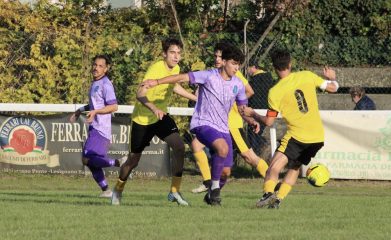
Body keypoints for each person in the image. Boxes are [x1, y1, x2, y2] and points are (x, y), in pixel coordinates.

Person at [144, 43, 259, 205]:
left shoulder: (238, 84)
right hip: (202, 123)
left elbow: (242, 109)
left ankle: (211, 195)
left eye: (238, 64)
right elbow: (181, 77)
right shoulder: (208, 76)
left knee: (226, 172)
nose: (236, 67)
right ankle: (215, 189)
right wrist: (156, 82)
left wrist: (251, 120)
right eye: (233, 63)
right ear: (224, 61)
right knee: (223, 149)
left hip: (222, 128)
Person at [242, 49, 339, 209]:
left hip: (297, 136)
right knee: (294, 167)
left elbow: (269, 121)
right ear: (290, 63)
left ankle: (267, 194)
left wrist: (252, 113)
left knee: (273, 167)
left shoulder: (274, 92)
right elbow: (333, 88)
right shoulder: (306, 75)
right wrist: (332, 78)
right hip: (317, 137)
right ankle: (278, 200)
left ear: (274, 67)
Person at [111, 38, 197, 206]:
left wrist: (196, 98)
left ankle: (174, 191)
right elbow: (140, 94)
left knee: (179, 146)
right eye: (172, 53)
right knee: (133, 161)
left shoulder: (176, 68)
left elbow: (175, 86)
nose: (176, 56)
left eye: (179, 53)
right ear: (164, 54)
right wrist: (153, 108)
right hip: (143, 119)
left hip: (160, 118)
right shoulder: (155, 70)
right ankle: (118, 189)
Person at [190, 43, 270, 195]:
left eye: (220, 56)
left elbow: (249, 91)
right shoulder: (215, 74)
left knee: (249, 157)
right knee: (196, 145)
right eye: (215, 56)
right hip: (215, 124)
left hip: (231, 124)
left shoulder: (234, 74)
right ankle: (209, 182)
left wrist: (239, 110)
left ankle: (273, 182)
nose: (217, 59)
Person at [70, 55, 120, 198]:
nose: (96, 68)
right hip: (96, 127)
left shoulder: (106, 84)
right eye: (95, 65)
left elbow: (114, 106)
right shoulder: (95, 83)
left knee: (86, 159)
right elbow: (94, 105)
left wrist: (96, 112)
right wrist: (80, 110)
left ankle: (117, 162)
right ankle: (106, 191)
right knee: (92, 163)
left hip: (101, 129)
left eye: (100, 66)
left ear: (106, 69)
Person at [246, 61, 276, 157]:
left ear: (254, 67)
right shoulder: (269, 78)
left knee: (253, 133)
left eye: (249, 68)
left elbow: (251, 96)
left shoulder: (254, 80)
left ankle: (255, 154)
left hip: (255, 110)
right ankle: (259, 151)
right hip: (267, 110)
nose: (248, 70)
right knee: (258, 132)